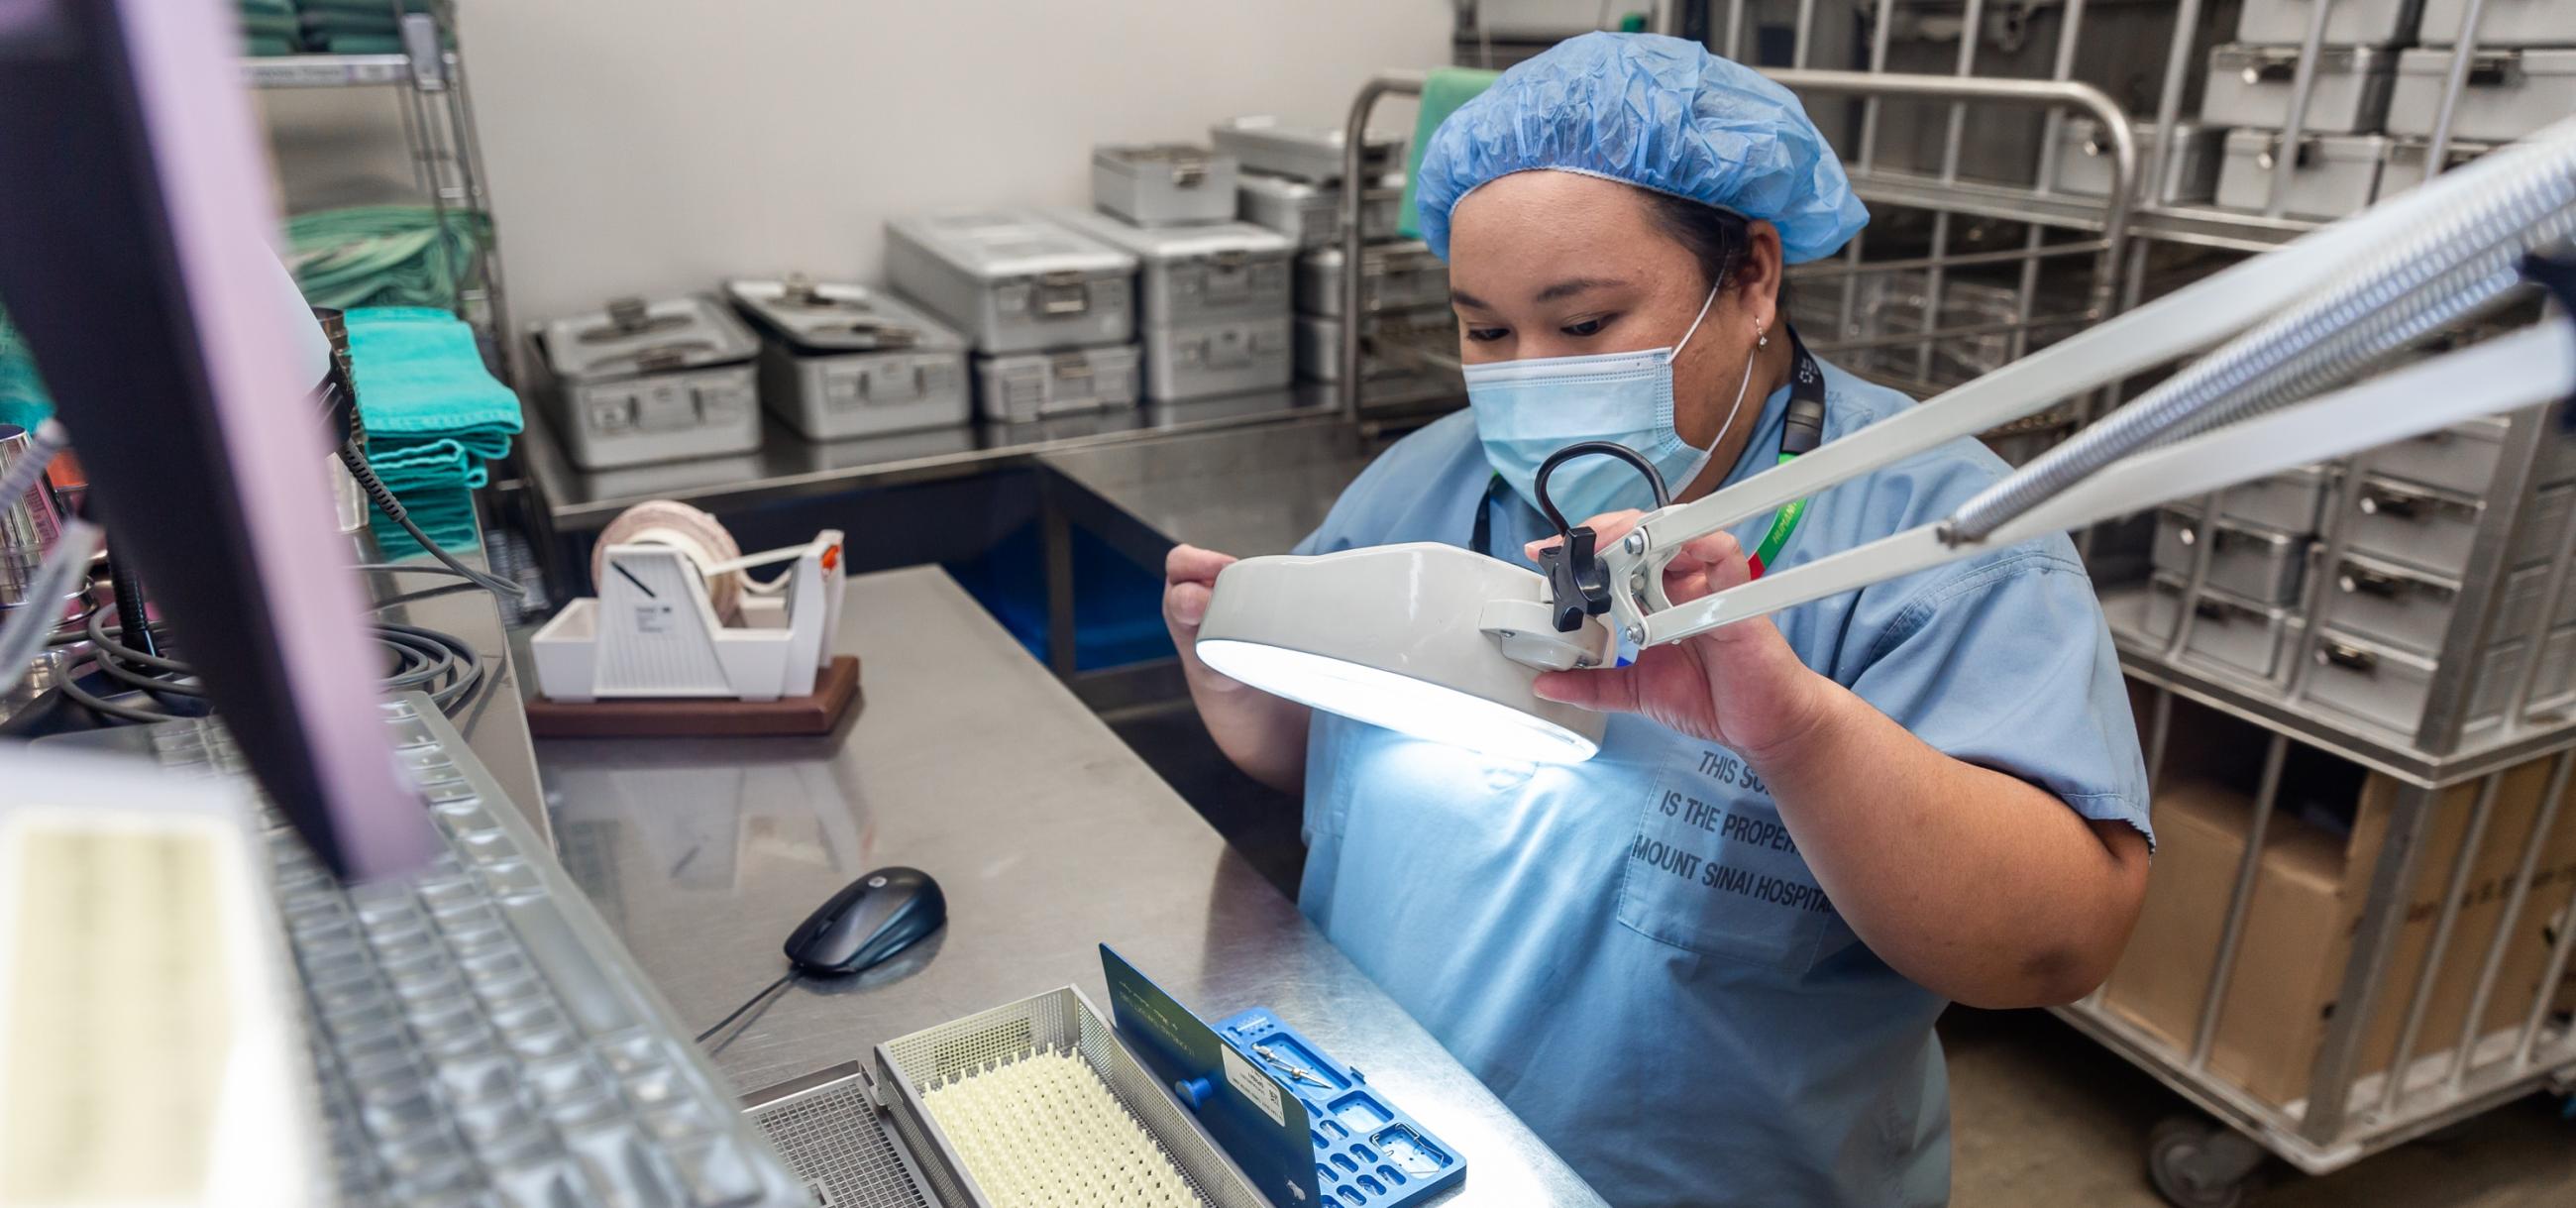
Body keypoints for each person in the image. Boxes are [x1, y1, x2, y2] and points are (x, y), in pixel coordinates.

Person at [1163, 33, 2152, 1208]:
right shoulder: (1424, 484)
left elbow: (2056, 943)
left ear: (1750, 280)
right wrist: (1234, 682)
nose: (1524, 378)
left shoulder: (1934, 540)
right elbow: (1323, 771)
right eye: (1484, 330)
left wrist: (1795, 735)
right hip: (1374, 1155)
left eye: (1580, 327)